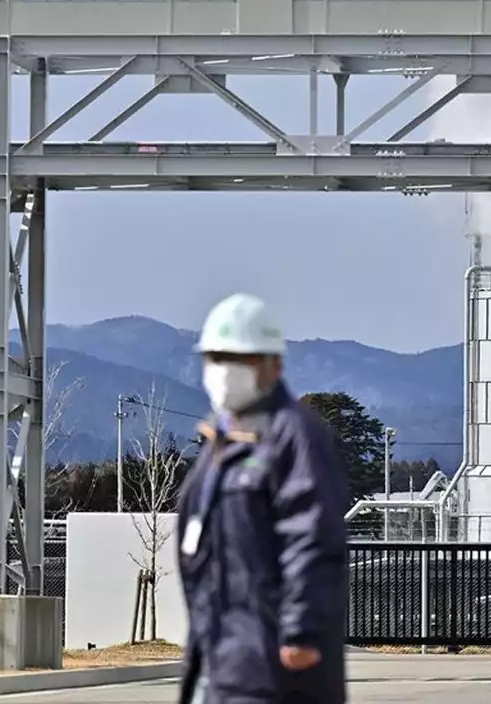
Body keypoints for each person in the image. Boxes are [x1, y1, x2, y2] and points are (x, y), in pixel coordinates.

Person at [176, 293, 350, 704]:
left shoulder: (293, 435)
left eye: (239, 358)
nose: (224, 370)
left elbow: (312, 535)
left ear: (274, 365)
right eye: (215, 357)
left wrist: (302, 630)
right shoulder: (220, 445)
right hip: (221, 656)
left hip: (275, 668)